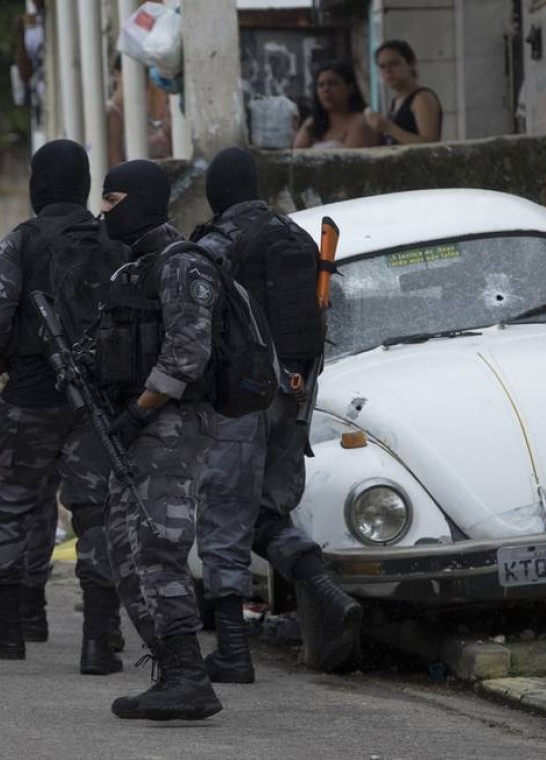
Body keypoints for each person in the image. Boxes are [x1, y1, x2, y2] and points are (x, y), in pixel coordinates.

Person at [190, 147, 362, 683]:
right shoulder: (295, 234)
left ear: (216, 194)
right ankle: (323, 588)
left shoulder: (217, 244)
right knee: (266, 515)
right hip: (295, 393)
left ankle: (234, 652)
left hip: (241, 402)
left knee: (222, 518)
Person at [0, 139, 128, 675]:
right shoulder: (114, 241)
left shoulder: (21, 241)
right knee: (96, 511)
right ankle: (99, 639)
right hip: (99, 406)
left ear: (38, 184)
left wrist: (7, 350)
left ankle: (10, 627)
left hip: (31, 399)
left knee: (10, 504)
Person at [95, 159, 224, 721]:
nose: (104, 213)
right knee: (124, 550)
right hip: (141, 425)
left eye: (113, 199)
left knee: (157, 547)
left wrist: (140, 410)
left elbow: (188, 353)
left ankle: (189, 678)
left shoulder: (182, 265)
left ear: (143, 200)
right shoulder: (136, 268)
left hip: (170, 425)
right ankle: (173, 670)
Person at [365, 39, 442, 145]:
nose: (388, 71)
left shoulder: (422, 98)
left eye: (394, 64)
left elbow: (430, 144)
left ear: (410, 63)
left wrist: (389, 128)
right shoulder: (396, 100)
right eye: (382, 66)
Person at [293, 62, 381, 150]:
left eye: (333, 83)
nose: (326, 89)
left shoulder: (361, 123)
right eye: (321, 85)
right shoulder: (312, 123)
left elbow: (352, 161)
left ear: (350, 88)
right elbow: (296, 156)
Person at [106, 58, 173, 167]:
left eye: (144, 73)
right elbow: (115, 165)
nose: (138, 77)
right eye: (130, 71)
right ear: (116, 74)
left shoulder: (142, 113)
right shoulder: (112, 114)